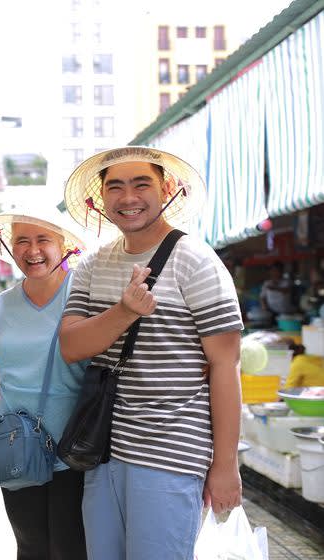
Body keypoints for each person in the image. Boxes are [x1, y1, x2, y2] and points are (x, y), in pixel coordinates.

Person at [59, 146, 244, 560]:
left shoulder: (196, 261)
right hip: (102, 447)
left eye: (141, 184)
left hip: (170, 453)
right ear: (101, 197)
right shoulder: (92, 264)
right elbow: (71, 347)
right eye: (115, 187)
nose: (128, 198)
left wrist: (226, 465)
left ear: (166, 189)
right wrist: (124, 311)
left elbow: (226, 364)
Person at [0, 210, 88, 560]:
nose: (33, 250)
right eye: (22, 241)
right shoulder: (1, 305)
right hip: (18, 447)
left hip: (76, 449)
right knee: (30, 549)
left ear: (63, 245)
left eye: (43, 240)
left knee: (73, 550)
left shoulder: (84, 294)